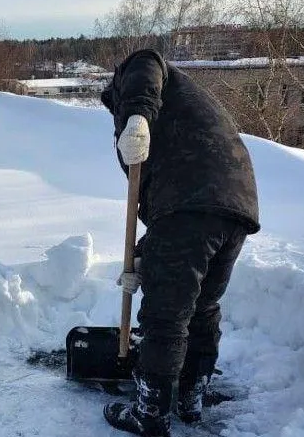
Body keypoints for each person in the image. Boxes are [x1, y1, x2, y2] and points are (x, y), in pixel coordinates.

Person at [99, 49, 260, 437]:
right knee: (202, 306)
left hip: (190, 204)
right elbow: (168, 208)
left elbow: (146, 61)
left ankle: (151, 413)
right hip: (235, 205)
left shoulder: (142, 74)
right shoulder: (184, 111)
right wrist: (143, 256)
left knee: (165, 316)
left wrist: (135, 113)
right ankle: (190, 397)